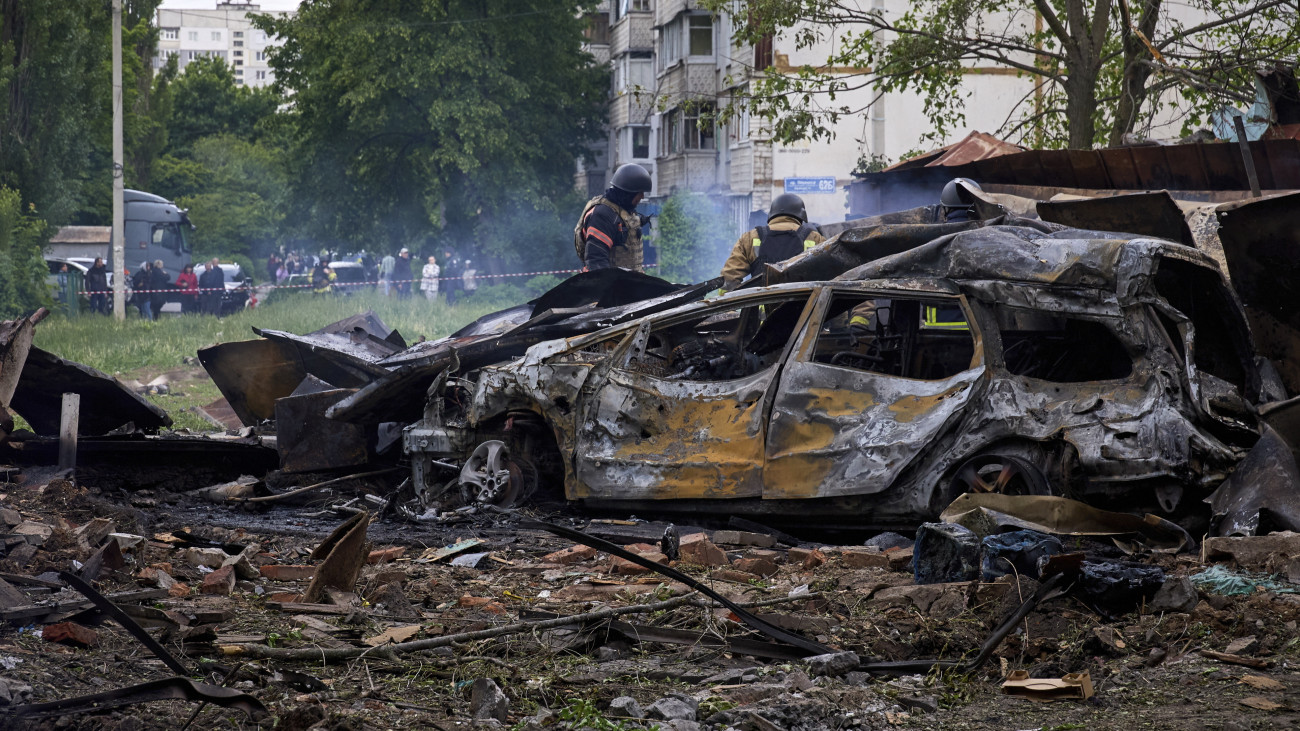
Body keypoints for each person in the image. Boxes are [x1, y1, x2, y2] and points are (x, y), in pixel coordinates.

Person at [720, 193, 825, 291]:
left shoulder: (750, 238)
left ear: (771, 214)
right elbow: (831, 275)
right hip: (803, 309)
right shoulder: (814, 238)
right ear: (802, 215)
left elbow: (728, 279)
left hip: (759, 309)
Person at [575, 163, 652, 272]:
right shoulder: (603, 216)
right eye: (640, 193)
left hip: (629, 284)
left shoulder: (624, 211)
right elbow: (597, 263)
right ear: (628, 193)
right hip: (607, 284)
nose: (642, 196)